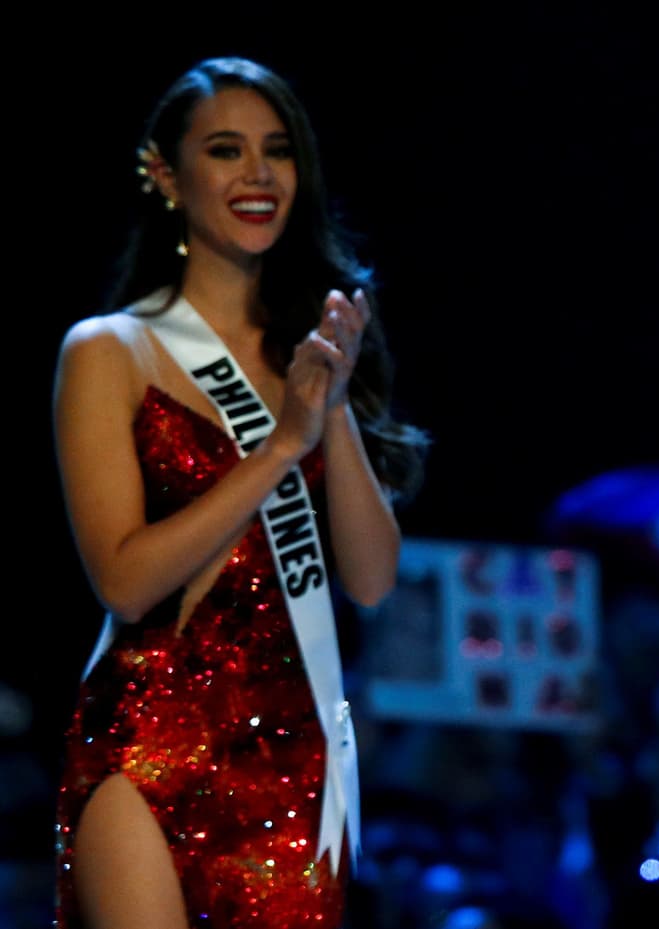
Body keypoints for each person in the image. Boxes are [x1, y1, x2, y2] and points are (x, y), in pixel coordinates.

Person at [52, 56, 427, 928]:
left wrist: (327, 409)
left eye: (278, 150)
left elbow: (371, 581)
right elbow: (124, 580)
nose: (258, 174)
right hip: (147, 740)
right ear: (167, 175)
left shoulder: (313, 352)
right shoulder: (111, 350)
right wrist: (281, 446)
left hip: (294, 753)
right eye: (226, 150)